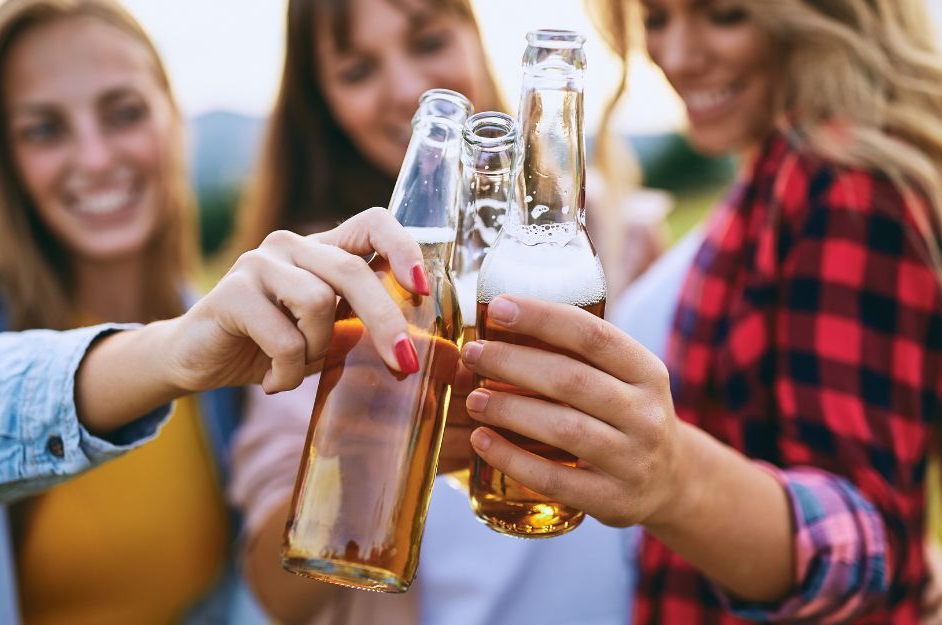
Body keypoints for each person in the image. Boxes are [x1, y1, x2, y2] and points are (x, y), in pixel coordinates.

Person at [461, 0, 942, 623]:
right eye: (656, 20)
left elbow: (868, 541)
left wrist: (677, 478)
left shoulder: (847, 185)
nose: (677, 56)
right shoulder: (776, 167)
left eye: (724, 15)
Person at [0, 1, 432, 623]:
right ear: (2, 157)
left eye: (124, 113)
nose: (96, 157)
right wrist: (168, 354)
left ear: (173, 118)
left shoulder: (230, 355)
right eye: (44, 129)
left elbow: (236, 603)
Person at [226, 1, 638, 624]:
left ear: (474, 37)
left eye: (427, 41)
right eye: (357, 70)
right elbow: (272, 584)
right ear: (322, 103)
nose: (405, 88)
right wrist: (372, 450)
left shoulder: (600, 235)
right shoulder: (320, 282)